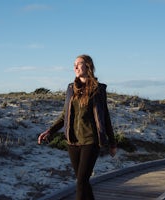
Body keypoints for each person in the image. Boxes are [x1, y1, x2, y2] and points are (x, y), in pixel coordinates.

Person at [38, 54, 117, 200]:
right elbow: (64, 116)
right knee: (83, 182)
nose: (75, 67)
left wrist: (112, 143)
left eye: (78, 64)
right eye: (74, 64)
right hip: (72, 141)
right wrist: (50, 131)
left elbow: (105, 117)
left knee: (81, 182)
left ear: (88, 66)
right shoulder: (70, 88)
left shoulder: (98, 89)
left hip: (90, 141)